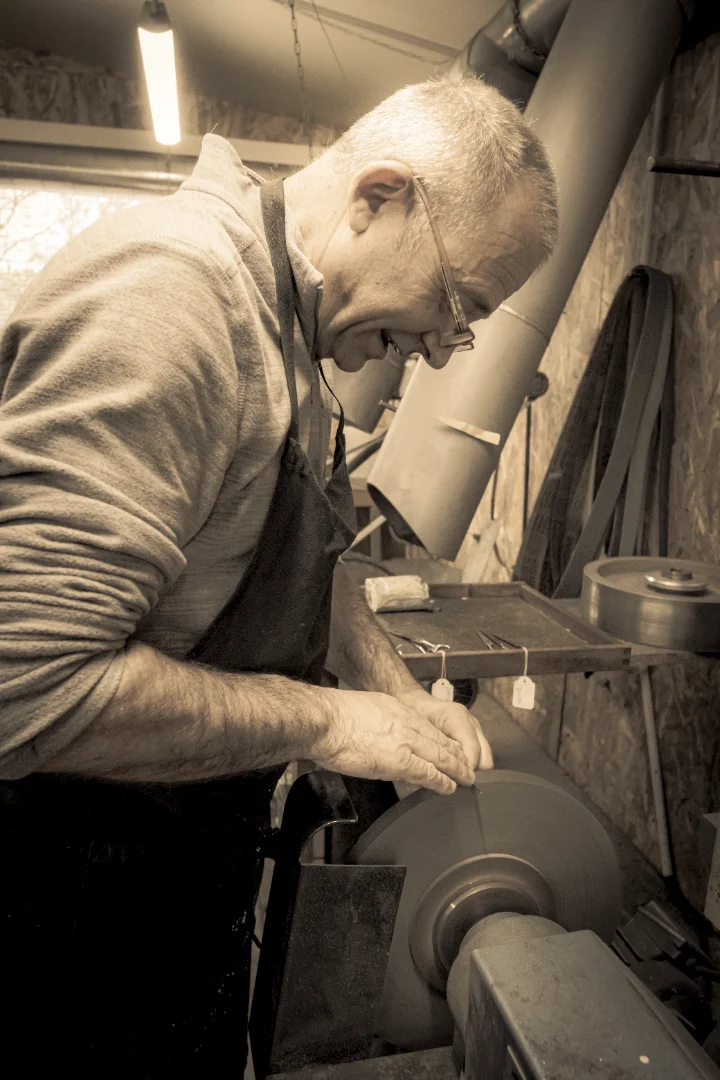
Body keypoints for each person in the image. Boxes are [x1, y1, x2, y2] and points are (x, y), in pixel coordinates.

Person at [0, 75, 557, 1073]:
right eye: (453, 303)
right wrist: (330, 722)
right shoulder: (173, 301)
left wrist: (389, 689)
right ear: (379, 196)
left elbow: (302, 556)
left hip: (164, 881)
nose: (436, 352)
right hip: (61, 908)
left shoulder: (285, 324)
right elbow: (21, 692)